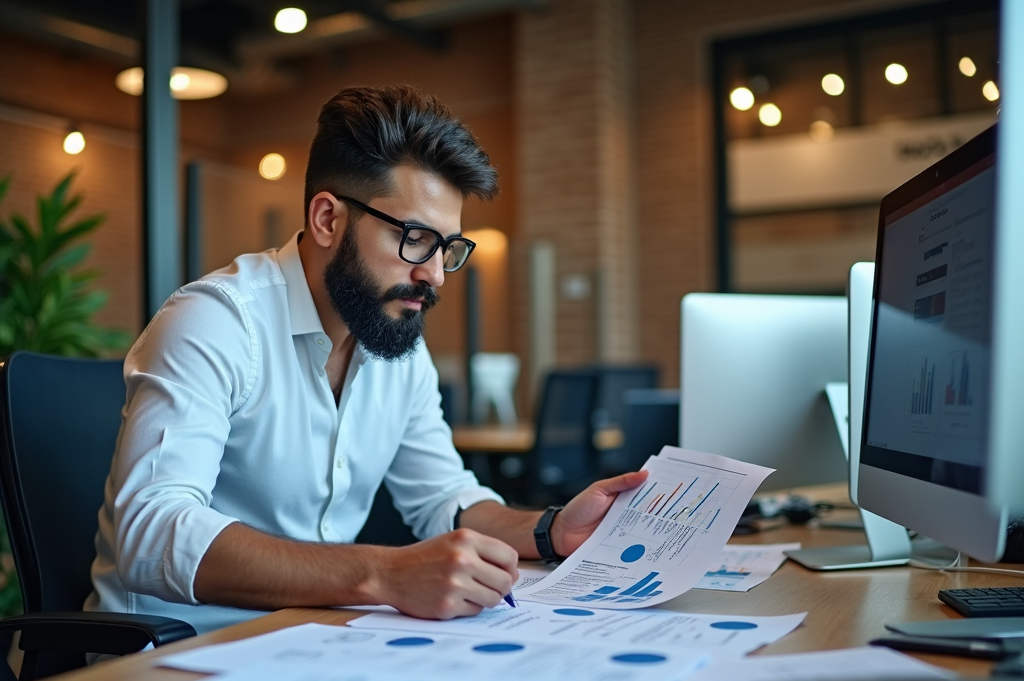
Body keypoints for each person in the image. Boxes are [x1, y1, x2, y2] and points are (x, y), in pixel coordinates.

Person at [86, 84, 646, 634]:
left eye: (447, 249)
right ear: (329, 219)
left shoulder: (395, 344)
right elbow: (151, 533)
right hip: (172, 656)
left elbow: (444, 499)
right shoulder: (216, 321)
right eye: (415, 239)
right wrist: (383, 573)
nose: (432, 274)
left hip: (311, 643)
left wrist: (550, 532)